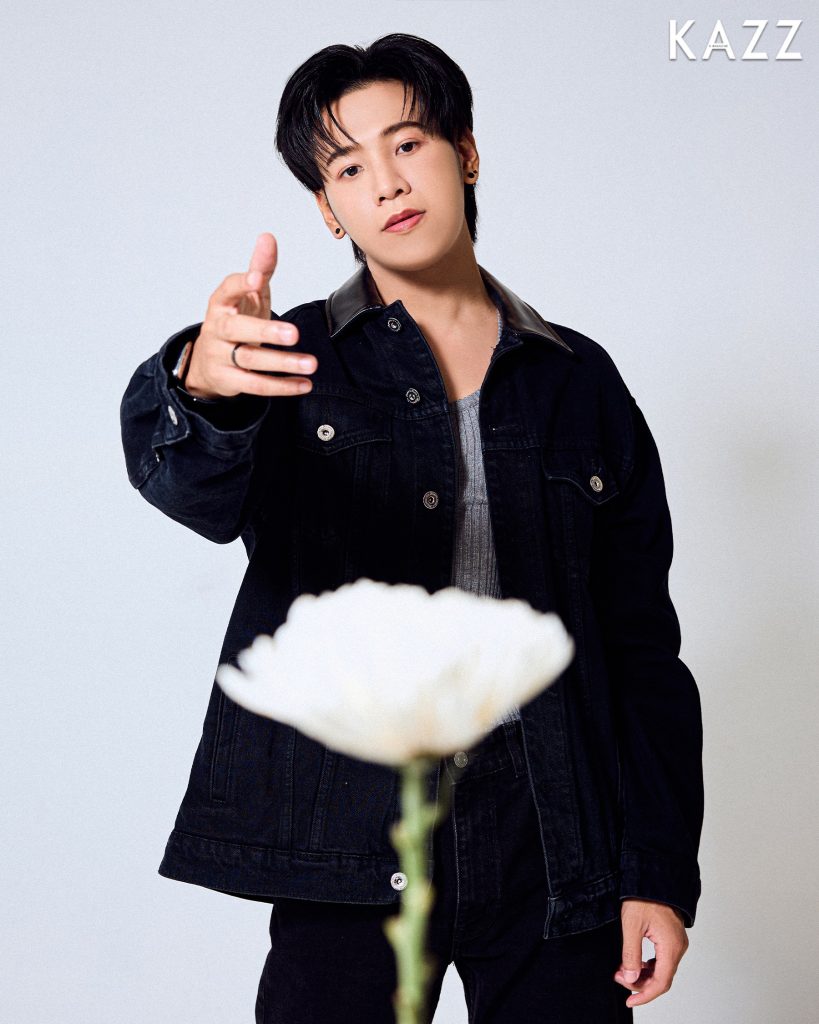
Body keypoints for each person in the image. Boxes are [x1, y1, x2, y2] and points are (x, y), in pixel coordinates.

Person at [120, 32, 703, 1024]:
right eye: (348, 167)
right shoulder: (285, 356)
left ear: (465, 153)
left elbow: (641, 644)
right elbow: (191, 490)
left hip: (552, 828)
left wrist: (655, 870)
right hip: (348, 819)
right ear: (326, 207)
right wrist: (201, 387)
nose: (386, 181)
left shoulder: (576, 380)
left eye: (408, 143)